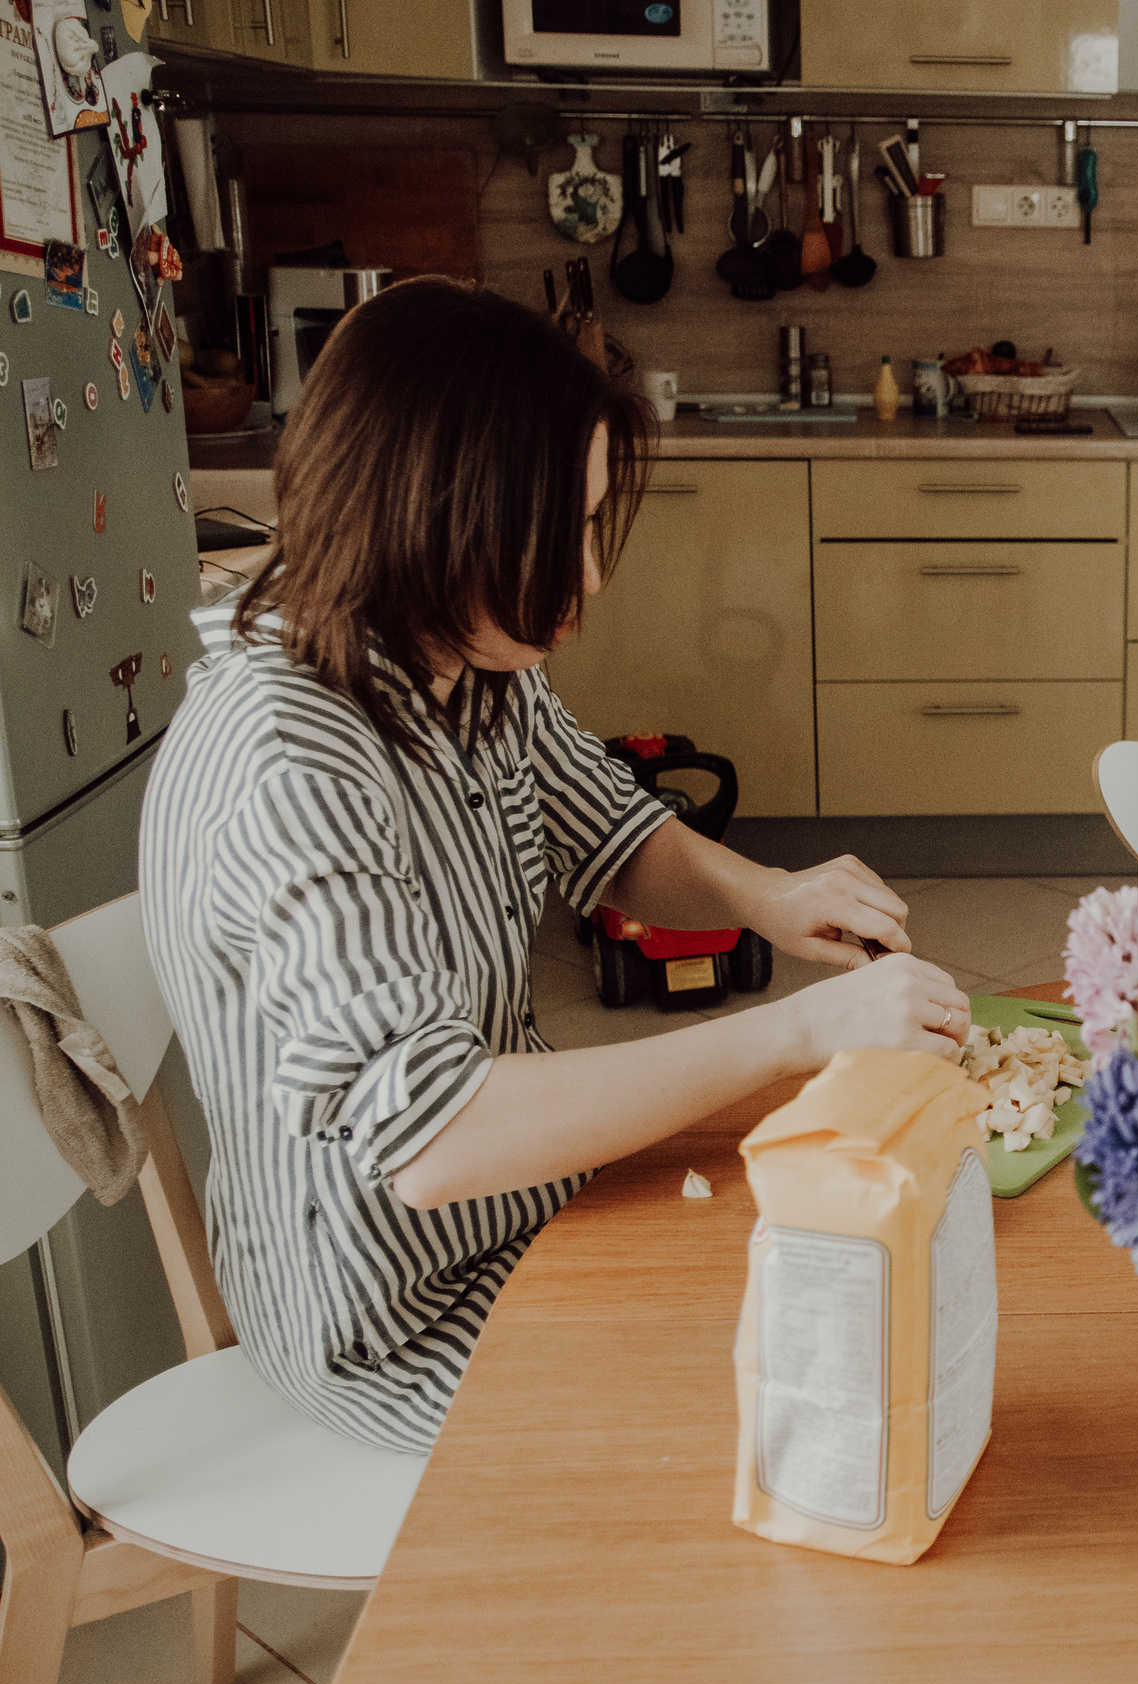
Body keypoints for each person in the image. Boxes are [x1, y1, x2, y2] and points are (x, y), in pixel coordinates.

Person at [140, 279, 971, 1452]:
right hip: (393, 1314)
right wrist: (795, 1031)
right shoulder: (289, 759)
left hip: (526, 1207)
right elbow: (437, 1142)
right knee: (783, 1418)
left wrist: (767, 897)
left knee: (862, 1301)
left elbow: (613, 837)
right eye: (553, 535)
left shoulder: (462, 658)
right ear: (426, 513)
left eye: (586, 526)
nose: (586, 577)